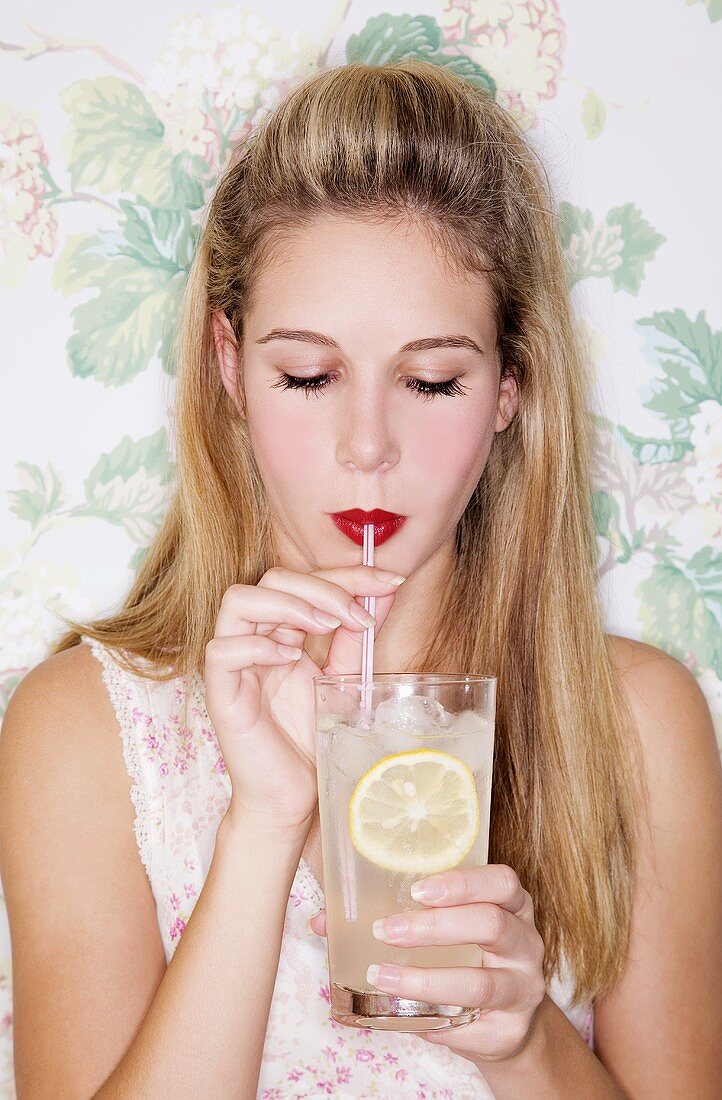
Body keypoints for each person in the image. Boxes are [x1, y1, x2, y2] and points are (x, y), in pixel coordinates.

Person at [1, 58, 720, 1100]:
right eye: (307, 375)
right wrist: (263, 822)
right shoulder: (85, 730)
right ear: (227, 366)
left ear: (510, 386)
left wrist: (524, 1044)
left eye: (430, 380)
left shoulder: (633, 723)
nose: (367, 445)